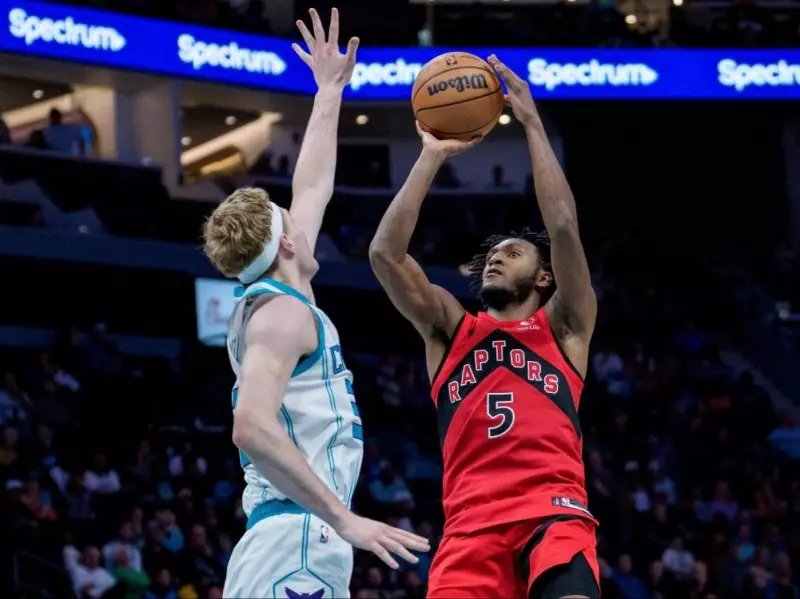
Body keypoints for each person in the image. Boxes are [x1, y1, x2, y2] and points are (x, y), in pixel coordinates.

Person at [202, 8, 428, 598]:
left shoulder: (281, 296)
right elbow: (250, 425)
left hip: (293, 536)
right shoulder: (282, 315)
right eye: (291, 221)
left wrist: (329, 92)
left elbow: (312, 185)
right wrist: (343, 518)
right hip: (298, 536)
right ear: (286, 244)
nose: (305, 222)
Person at [369, 54, 599, 599]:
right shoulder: (450, 330)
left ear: (543, 276)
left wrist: (531, 121)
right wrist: (430, 156)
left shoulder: (565, 329)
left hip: (552, 515)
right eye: (493, 254)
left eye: (512, 253)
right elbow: (384, 254)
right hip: (469, 529)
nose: (496, 258)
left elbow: (563, 225)